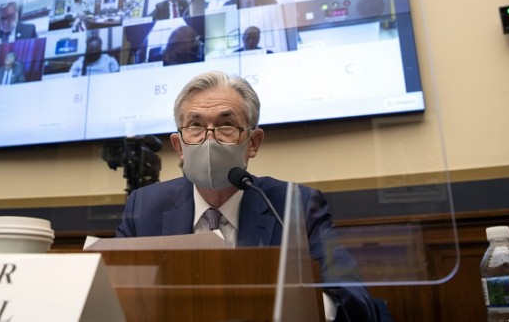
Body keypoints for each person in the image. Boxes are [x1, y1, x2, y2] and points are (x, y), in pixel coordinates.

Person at [116, 72, 391, 322]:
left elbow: (355, 298)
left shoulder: (297, 206)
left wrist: (296, 304)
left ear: (253, 143)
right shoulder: (145, 207)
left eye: (226, 125)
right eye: (196, 126)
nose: (209, 140)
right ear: (179, 145)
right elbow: (116, 298)